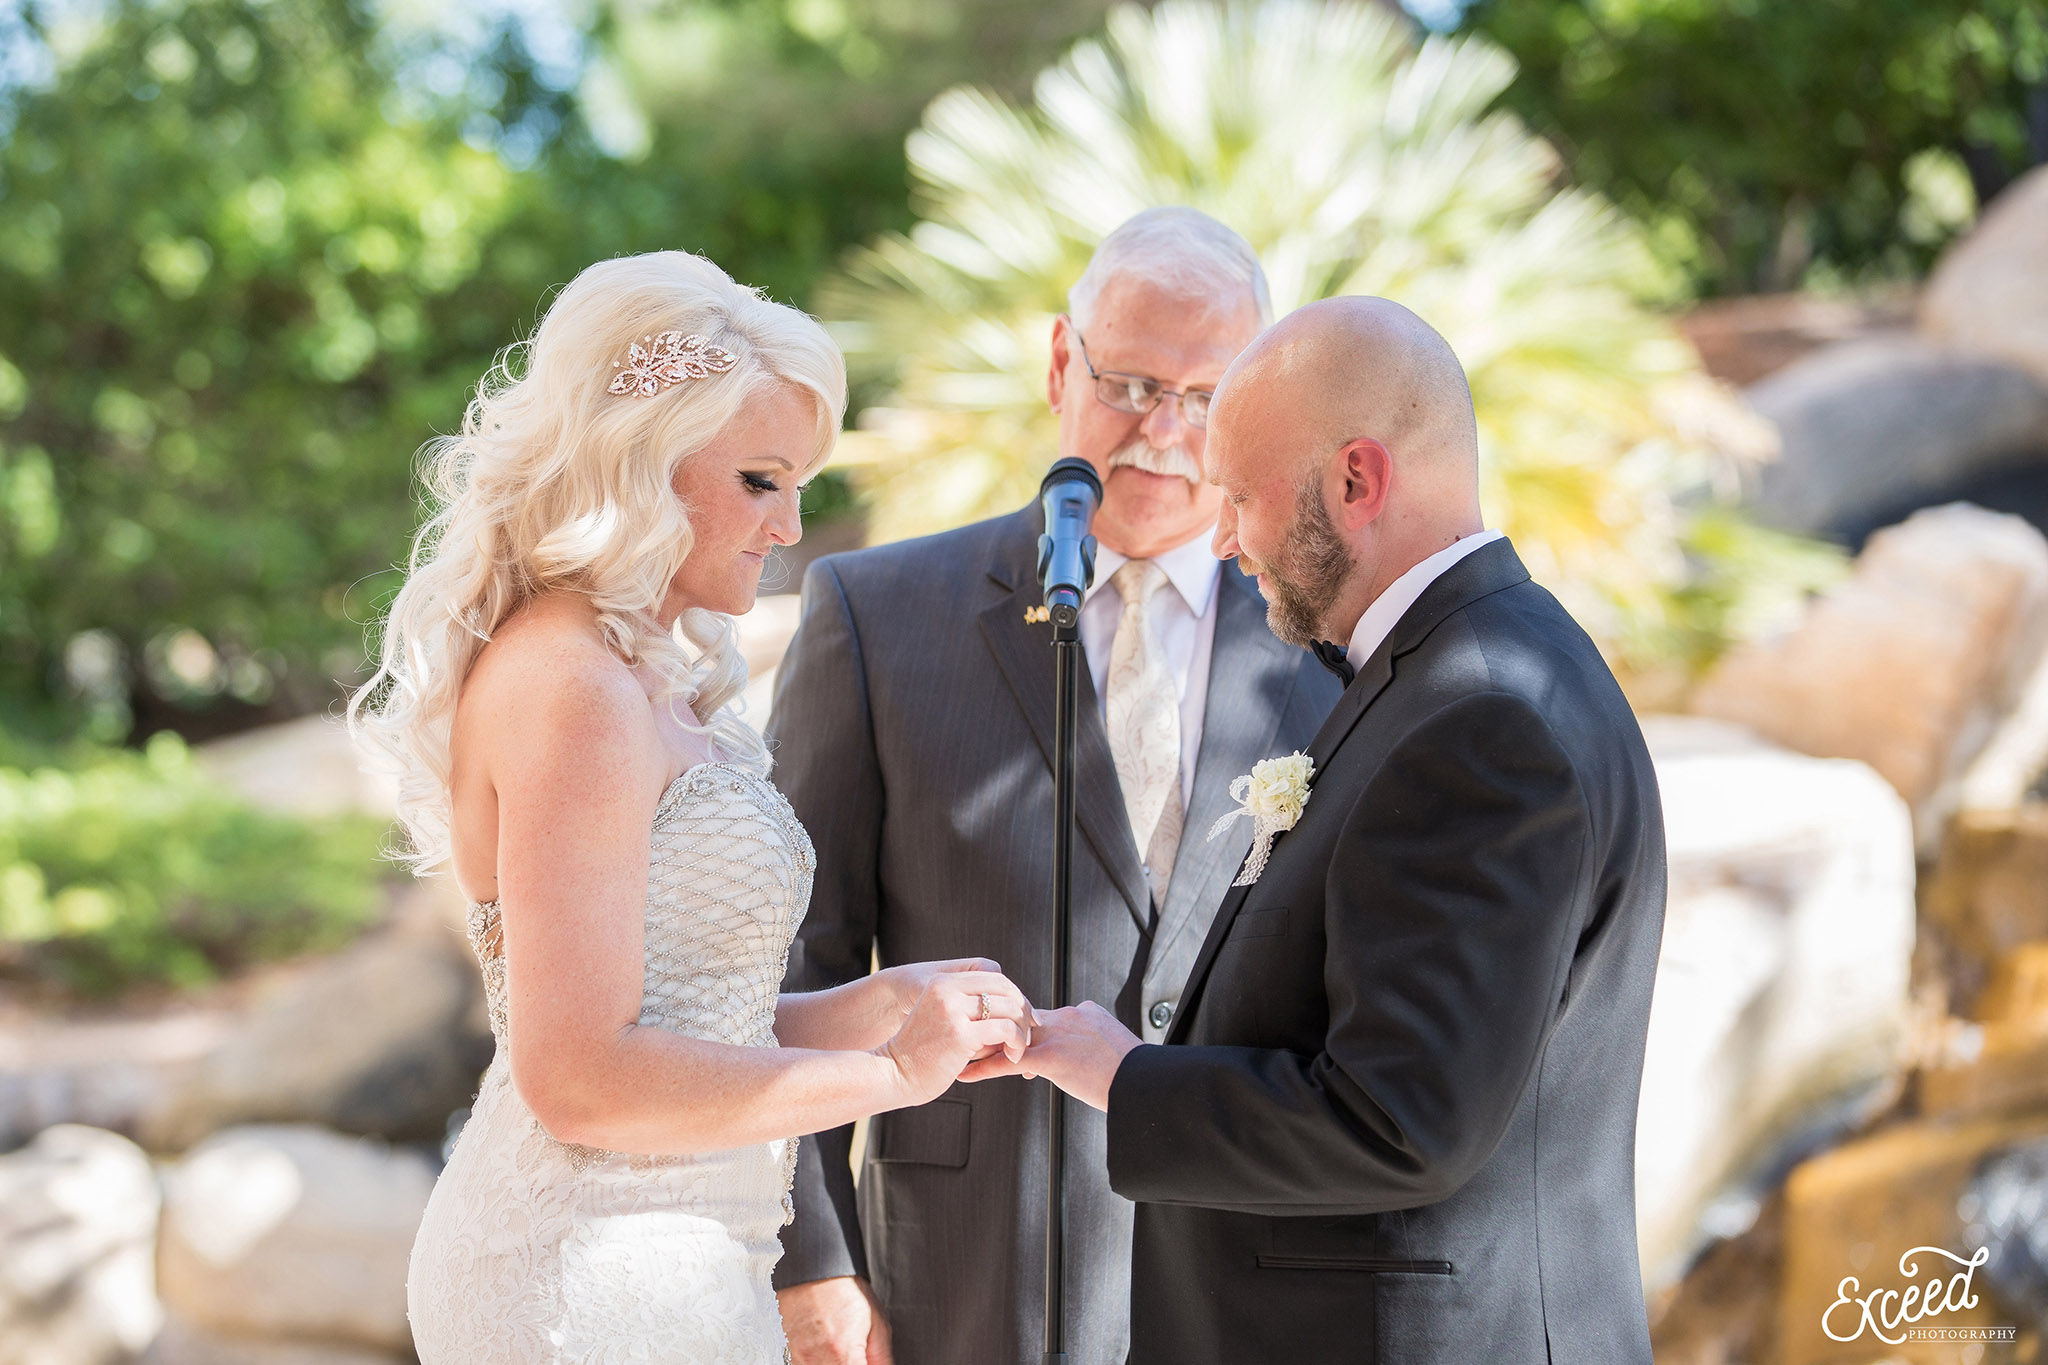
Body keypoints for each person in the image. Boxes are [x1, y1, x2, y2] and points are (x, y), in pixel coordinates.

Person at [348, 251, 1034, 1365]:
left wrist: (879, 1007)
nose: (788, 525)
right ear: (636, 463)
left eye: (798, 484)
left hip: (680, 1266)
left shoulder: (640, 680)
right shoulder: (572, 686)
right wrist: (890, 1079)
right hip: (585, 1278)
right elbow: (577, 1075)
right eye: (759, 480)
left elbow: (687, 1023)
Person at [991, 296, 1667, 1363]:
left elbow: (1397, 1120)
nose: (1220, 539)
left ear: (1356, 480)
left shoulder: (1482, 716)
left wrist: (1125, 1078)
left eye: (1240, 497)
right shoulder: (1453, 675)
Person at [770, 209, 1343, 1365]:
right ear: (1056, 366)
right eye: (1128, 382)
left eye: (1204, 397)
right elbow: (791, 963)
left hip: (1251, 1292)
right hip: (962, 1288)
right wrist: (813, 1265)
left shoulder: (1334, 651)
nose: (1161, 432)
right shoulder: (873, 618)